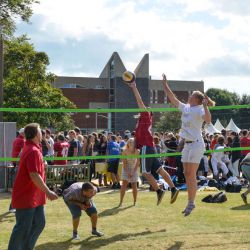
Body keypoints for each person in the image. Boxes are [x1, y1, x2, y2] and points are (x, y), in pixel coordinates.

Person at [162, 73, 213, 216]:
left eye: (191, 96)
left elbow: (208, 120)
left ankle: (191, 203)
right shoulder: (186, 107)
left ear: (196, 99)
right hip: (187, 145)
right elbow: (172, 98)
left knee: (191, 174)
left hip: (197, 144)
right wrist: (165, 84)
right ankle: (190, 202)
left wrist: (206, 106)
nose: (189, 97)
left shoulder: (200, 109)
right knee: (186, 173)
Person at [127, 79, 179, 206]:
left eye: (145, 109)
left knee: (145, 172)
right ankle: (173, 188)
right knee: (160, 170)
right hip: (150, 148)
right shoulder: (141, 122)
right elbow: (136, 142)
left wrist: (134, 87)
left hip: (147, 148)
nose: (143, 109)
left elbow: (139, 101)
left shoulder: (145, 117)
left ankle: (159, 191)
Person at [8, 123, 58, 250]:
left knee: (39, 223)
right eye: (40, 131)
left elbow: (33, 168)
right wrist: (48, 191)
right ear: (36, 134)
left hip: (35, 195)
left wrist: (42, 163)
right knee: (22, 227)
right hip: (26, 196)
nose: (42, 133)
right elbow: (34, 175)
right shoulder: (32, 150)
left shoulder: (33, 148)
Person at [119, 138, 140, 207]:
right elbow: (124, 163)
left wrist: (133, 172)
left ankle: (135, 202)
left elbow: (138, 163)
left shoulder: (137, 151)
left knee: (134, 185)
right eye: (130, 142)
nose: (131, 143)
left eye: (133, 142)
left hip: (134, 168)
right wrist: (128, 173)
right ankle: (121, 202)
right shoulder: (124, 151)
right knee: (124, 184)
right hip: (126, 168)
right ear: (128, 143)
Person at [9, 128, 25, 213]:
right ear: (22, 133)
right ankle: (13, 206)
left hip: (15, 163)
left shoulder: (16, 139)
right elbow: (22, 153)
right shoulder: (22, 141)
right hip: (19, 164)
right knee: (18, 187)